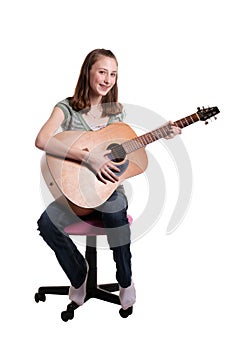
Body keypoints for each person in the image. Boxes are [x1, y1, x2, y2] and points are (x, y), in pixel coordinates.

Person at [35, 48, 181, 310]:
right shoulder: (66, 108)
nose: (107, 79)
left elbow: (126, 148)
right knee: (46, 223)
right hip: (75, 193)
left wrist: (162, 133)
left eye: (113, 74)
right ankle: (80, 275)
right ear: (88, 72)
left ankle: (125, 281)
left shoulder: (116, 112)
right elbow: (42, 140)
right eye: (102, 71)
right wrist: (88, 158)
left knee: (115, 214)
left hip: (107, 190)